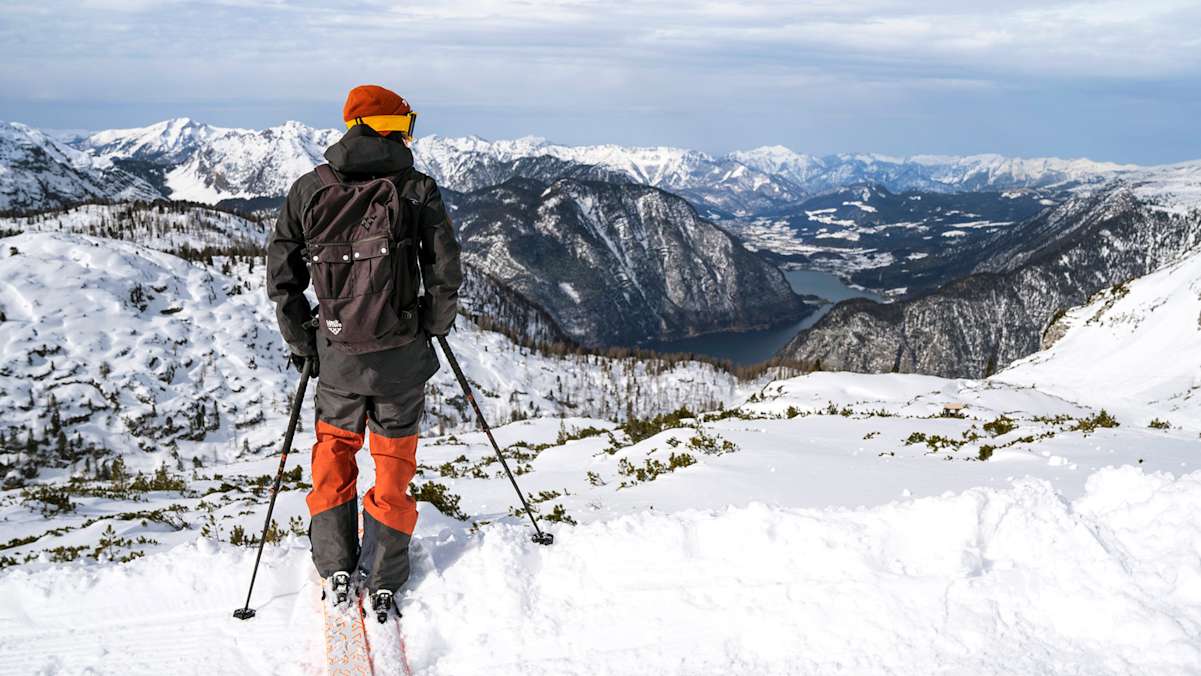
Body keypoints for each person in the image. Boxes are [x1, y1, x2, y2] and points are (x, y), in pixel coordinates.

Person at [266, 84, 462, 622]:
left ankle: (334, 565)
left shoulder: (309, 188)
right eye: (405, 123)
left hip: (337, 360)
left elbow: (282, 276)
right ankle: (384, 574)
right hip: (402, 358)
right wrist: (432, 325)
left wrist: (304, 340)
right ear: (390, 127)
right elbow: (445, 271)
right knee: (393, 463)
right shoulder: (417, 188)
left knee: (334, 454)